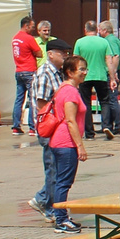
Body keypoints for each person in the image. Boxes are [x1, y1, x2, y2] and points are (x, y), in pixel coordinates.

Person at [27, 37, 71, 221]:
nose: (65, 57)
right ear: (50, 54)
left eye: (67, 53)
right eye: (62, 53)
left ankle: (42, 199)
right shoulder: (45, 73)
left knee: (58, 169)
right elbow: (41, 104)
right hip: (49, 128)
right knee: (53, 170)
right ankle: (49, 207)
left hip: (57, 128)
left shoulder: (58, 72)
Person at [46, 55, 88, 233]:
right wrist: (80, 146)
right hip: (66, 143)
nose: (85, 73)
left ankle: (61, 216)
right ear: (70, 72)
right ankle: (61, 220)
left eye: (86, 69)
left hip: (59, 142)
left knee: (60, 182)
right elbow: (70, 121)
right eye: (81, 70)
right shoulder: (70, 91)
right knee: (64, 183)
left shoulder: (63, 89)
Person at [73, 21, 111, 139]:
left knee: (86, 103)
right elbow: (109, 59)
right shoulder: (104, 42)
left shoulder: (79, 42)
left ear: (85, 29)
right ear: (97, 30)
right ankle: (106, 126)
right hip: (101, 75)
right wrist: (113, 76)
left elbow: (75, 60)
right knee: (104, 102)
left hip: (85, 76)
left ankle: (89, 132)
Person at [10, 15, 43, 134]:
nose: (33, 29)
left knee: (19, 99)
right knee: (32, 99)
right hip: (29, 71)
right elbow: (39, 53)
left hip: (19, 70)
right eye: (32, 27)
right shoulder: (28, 38)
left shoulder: (15, 38)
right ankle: (32, 127)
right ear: (26, 26)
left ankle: (16, 126)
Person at [99, 19, 120, 135]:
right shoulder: (112, 39)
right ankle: (108, 125)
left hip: (113, 72)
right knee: (109, 99)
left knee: (112, 99)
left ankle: (118, 125)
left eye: (99, 29)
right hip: (114, 71)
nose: (98, 32)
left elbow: (115, 56)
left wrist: (113, 73)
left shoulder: (110, 40)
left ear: (104, 30)